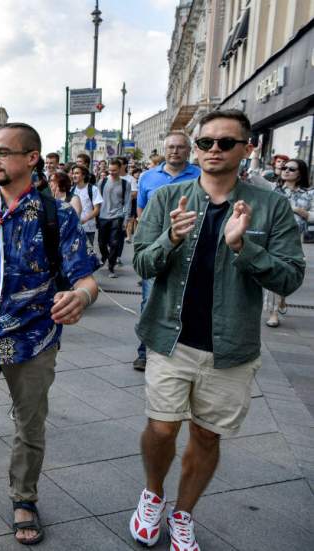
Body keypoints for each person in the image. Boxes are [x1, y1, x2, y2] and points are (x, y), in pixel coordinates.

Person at [128, 110, 305, 551]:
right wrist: (169, 239)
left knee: (206, 434)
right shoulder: (169, 199)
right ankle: (153, 494)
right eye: (206, 142)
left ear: (247, 149)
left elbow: (289, 278)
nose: (213, 150)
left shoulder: (270, 206)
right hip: (171, 338)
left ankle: (183, 514)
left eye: (226, 143)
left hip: (231, 348)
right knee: (162, 429)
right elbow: (142, 263)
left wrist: (244, 246)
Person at [0, 123, 99, 546]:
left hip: (33, 338)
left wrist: (79, 299)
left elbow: (86, 279)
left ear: (31, 158)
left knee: (30, 426)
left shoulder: (56, 215)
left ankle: (23, 497)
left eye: (3, 152)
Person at [132, 132, 201, 371]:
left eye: (180, 147)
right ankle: (144, 351)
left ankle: (181, 344)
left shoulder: (200, 176)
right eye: (171, 147)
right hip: (156, 249)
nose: (175, 151)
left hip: (188, 251)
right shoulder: (149, 177)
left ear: (189, 150)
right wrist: (145, 238)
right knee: (149, 299)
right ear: (165, 149)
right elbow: (141, 210)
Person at [265, 159, 312, 327]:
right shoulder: (273, 189)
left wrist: (297, 210)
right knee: (273, 270)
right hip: (272, 236)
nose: (286, 171)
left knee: (287, 271)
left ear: (300, 174)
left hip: (294, 239)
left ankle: (282, 300)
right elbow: (255, 176)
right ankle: (273, 312)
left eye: (291, 169)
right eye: (283, 167)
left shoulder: (308, 194)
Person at [97, 158, 129, 277]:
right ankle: (105, 255)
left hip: (117, 216)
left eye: (114, 170)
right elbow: (97, 200)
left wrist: (125, 220)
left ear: (120, 169)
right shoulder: (102, 182)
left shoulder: (126, 184)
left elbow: (127, 203)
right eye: (110, 170)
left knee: (114, 243)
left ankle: (111, 267)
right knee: (101, 242)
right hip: (103, 216)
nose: (112, 172)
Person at [71, 165, 102, 245]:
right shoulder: (71, 190)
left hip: (89, 228)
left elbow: (97, 210)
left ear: (84, 175)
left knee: (88, 252)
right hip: (74, 228)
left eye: (77, 173)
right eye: (73, 173)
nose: (74, 175)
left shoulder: (93, 189)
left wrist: (84, 219)